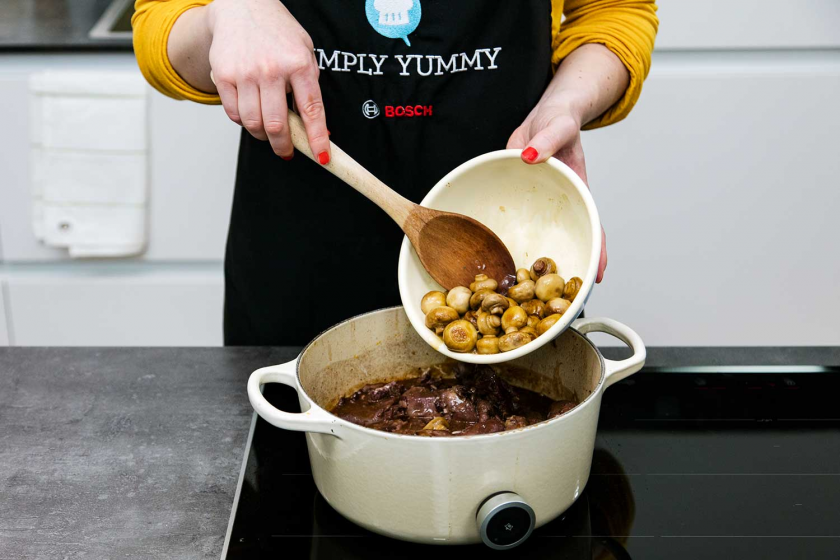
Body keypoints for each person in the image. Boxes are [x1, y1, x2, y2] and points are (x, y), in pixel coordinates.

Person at [133, 0, 658, 346]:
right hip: (296, 256)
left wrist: (567, 103)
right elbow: (162, 22)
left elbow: (613, 12)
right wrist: (228, 13)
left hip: (508, 226)